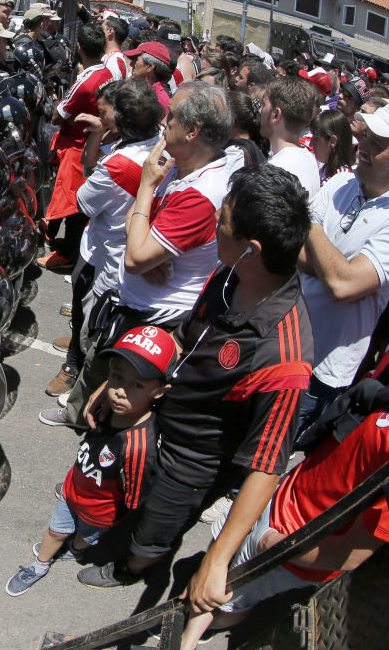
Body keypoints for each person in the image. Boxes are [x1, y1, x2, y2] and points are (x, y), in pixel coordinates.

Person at [179, 227, 389, 648]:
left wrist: (280, 548)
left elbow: (359, 548)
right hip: (283, 497)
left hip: (285, 540)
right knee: (202, 590)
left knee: (194, 615)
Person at [76, 163, 314, 590]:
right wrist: (121, 380)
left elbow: (266, 464)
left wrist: (218, 559)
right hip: (156, 420)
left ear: (252, 248)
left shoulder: (284, 355)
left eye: (221, 222)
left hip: (191, 464)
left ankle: (134, 566)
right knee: (128, 491)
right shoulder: (231, 272)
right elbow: (184, 337)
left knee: (155, 532)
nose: (213, 226)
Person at [42, 82, 241, 430]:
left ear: (193, 131)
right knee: (99, 373)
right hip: (134, 300)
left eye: (174, 116)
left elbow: (136, 256)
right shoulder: (180, 163)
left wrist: (146, 189)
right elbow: (141, 245)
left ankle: (99, 470)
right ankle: (82, 430)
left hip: (153, 316)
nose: (165, 121)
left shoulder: (200, 192)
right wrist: (145, 241)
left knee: (121, 405)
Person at [7, 325, 176, 596]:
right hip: (73, 489)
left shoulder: (139, 445)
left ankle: (75, 550)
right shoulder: (106, 408)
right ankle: (39, 565)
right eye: (117, 376)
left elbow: (133, 498)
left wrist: (113, 516)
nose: (120, 391)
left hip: (100, 512)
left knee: (85, 537)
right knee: (55, 531)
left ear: (159, 391)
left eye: (137, 384)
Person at [296, 101, 389, 429]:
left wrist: (310, 226)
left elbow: (345, 284)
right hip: (282, 339)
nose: (361, 146)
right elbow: (291, 245)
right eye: (365, 137)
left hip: (320, 370)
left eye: (376, 145)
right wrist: (334, 264)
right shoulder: (343, 183)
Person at [46, 79, 164, 398]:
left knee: (92, 316)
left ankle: (75, 371)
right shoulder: (156, 144)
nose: (102, 115)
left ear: (123, 120)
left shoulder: (120, 163)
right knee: (86, 313)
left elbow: (83, 200)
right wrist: (99, 134)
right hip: (112, 247)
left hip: (106, 255)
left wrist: (98, 150)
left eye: (107, 112)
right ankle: (77, 346)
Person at [37, 22, 111, 270]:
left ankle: (66, 254)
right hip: (91, 144)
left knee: (72, 202)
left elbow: (59, 116)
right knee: (74, 200)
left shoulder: (86, 81)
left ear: (79, 47)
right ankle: (63, 243)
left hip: (77, 147)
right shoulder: (108, 74)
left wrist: (56, 105)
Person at [261, 76, 322, 197]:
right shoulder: (309, 159)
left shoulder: (275, 172)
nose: (259, 110)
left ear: (276, 114)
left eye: (264, 105)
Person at [124, 41, 172, 116]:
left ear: (149, 67)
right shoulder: (145, 92)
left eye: (136, 60)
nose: (131, 64)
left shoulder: (159, 100)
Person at [309, 109, 355, 184]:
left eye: (316, 139)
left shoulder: (342, 180)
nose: (311, 144)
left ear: (332, 141)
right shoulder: (324, 170)